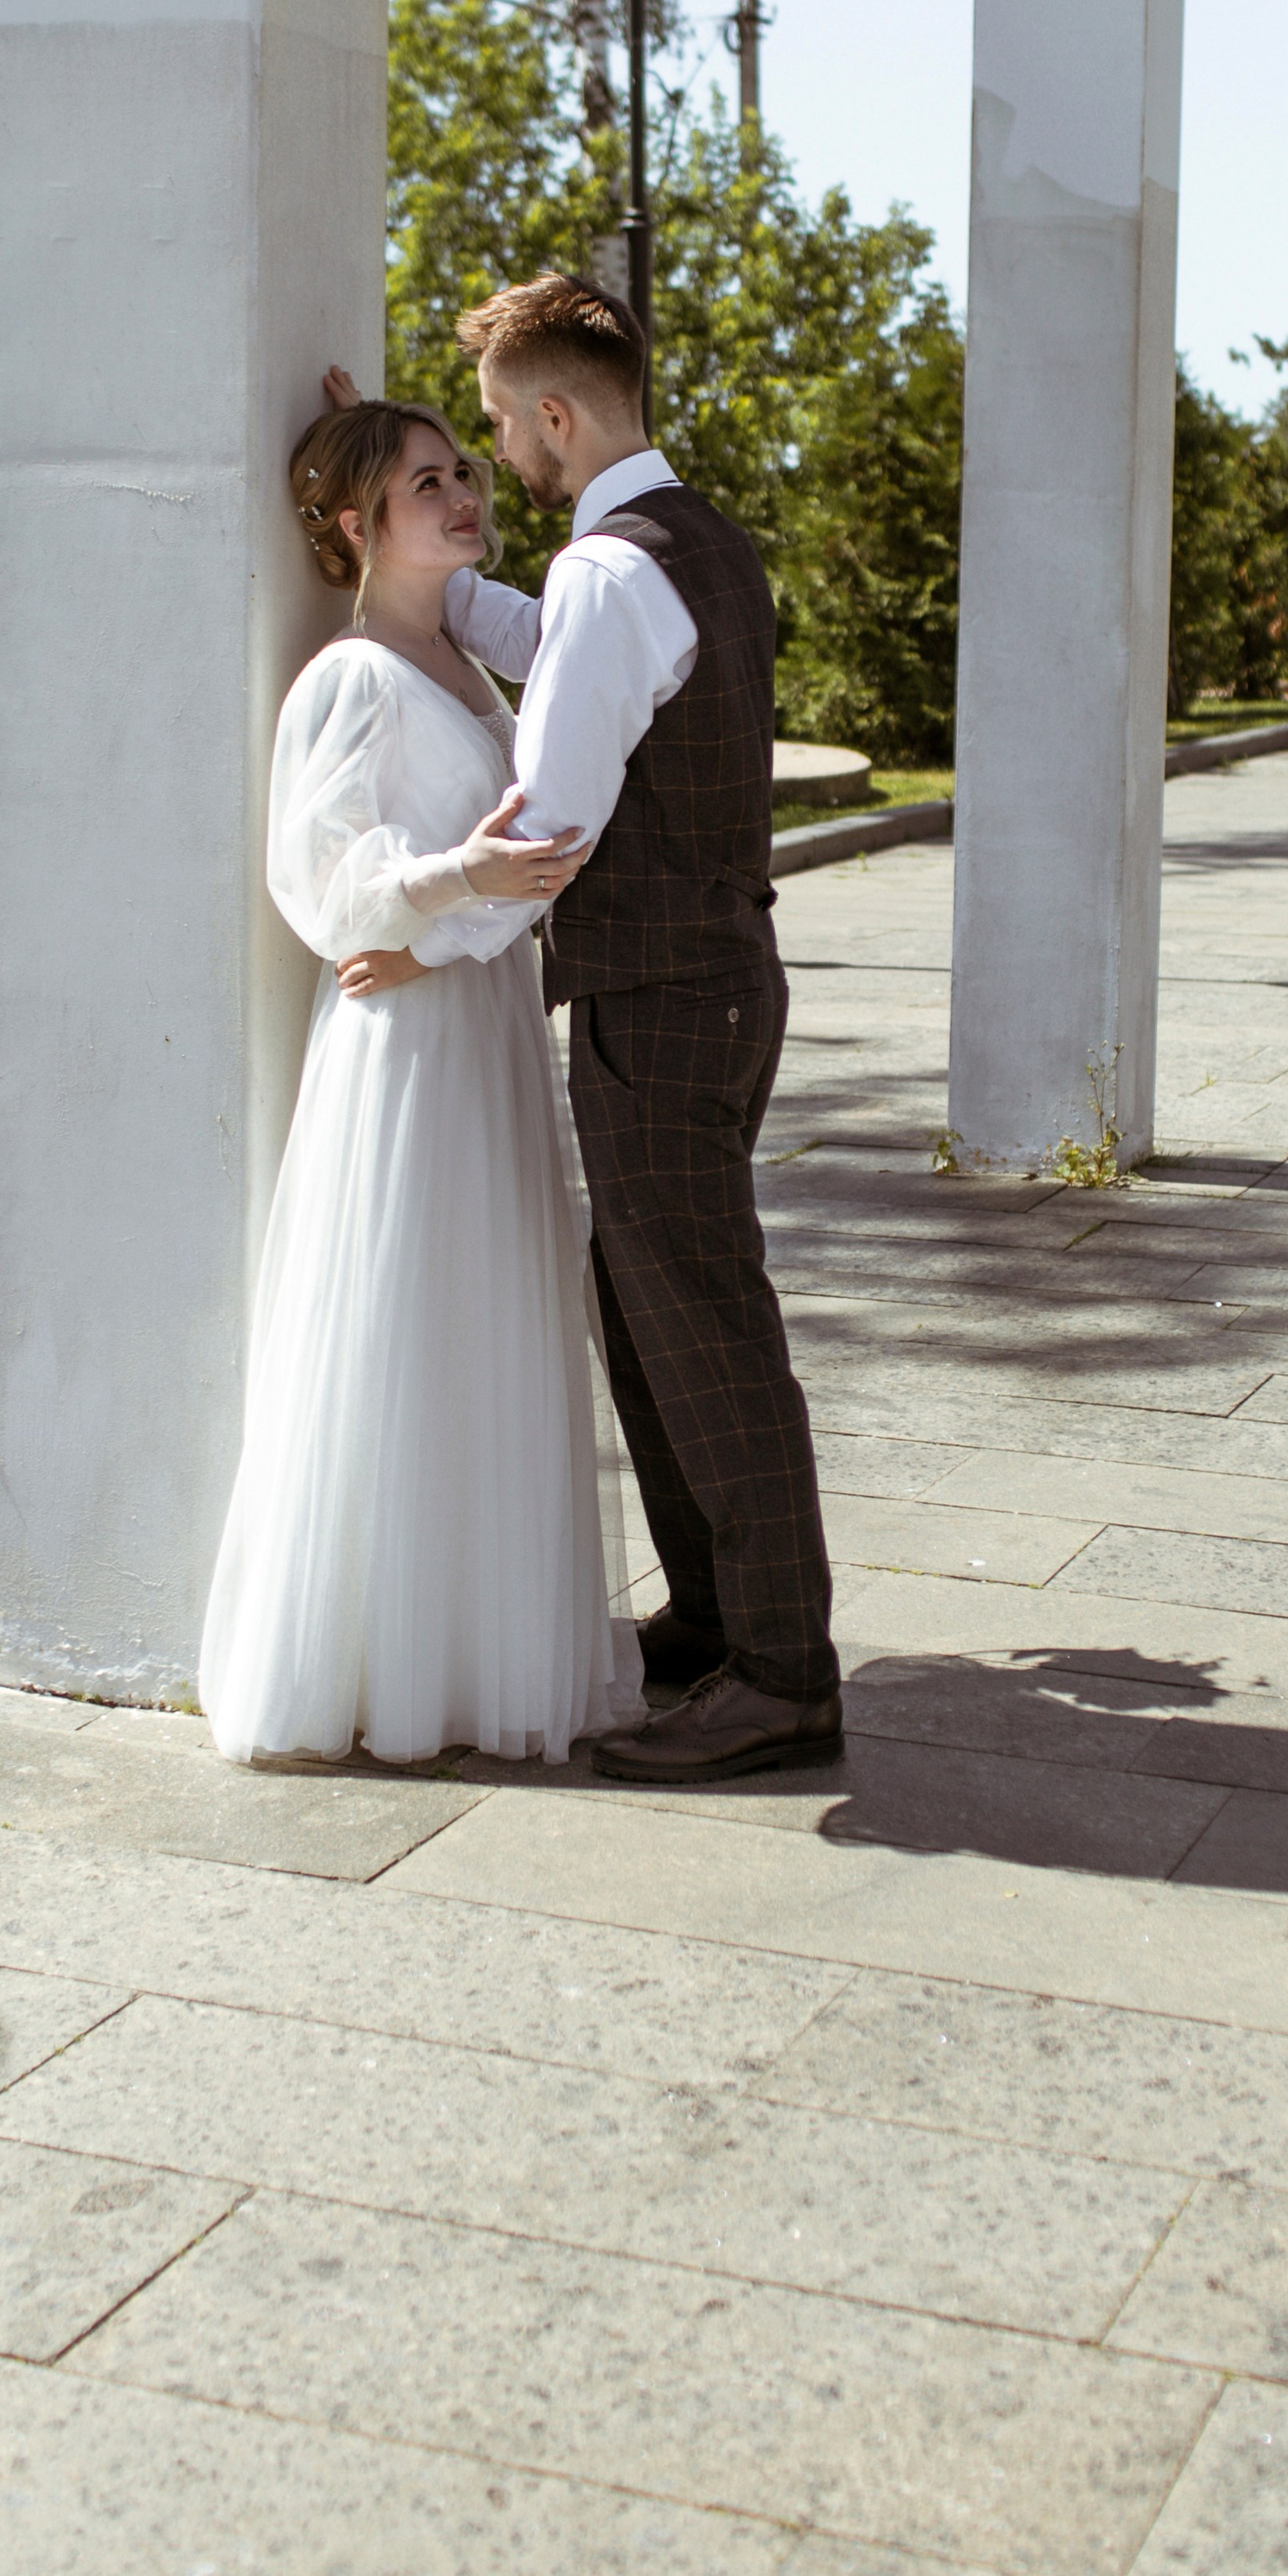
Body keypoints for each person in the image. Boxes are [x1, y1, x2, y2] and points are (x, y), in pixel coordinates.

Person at [349, 272, 842, 1786]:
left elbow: (551, 824)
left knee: (699, 1324)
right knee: (647, 1311)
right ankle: (710, 1623)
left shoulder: (614, 575)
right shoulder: (682, 547)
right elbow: (548, 635)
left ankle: (781, 1674)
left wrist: (434, 938)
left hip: (662, 999)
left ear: (559, 413)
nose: (500, 457)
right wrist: (391, 531)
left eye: (501, 428)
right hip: (716, 981)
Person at [195, 394, 631, 1768]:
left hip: (482, 1018)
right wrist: (459, 882)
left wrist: (472, 915)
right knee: (404, 1322)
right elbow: (323, 881)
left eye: (460, 471)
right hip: (405, 1053)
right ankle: (370, 1662)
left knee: (490, 1323)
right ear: (353, 525)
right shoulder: (350, 677)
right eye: (422, 485)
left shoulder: (472, 668)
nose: (461, 496)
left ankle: (469, 1654)